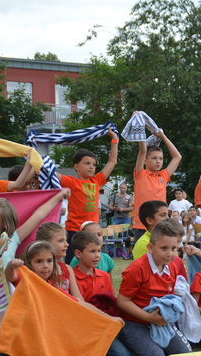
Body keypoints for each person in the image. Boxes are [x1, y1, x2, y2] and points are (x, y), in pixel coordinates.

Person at [116, 220, 192, 356]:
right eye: (164, 248)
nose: (170, 254)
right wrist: (149, 318)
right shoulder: (137, 268)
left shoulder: (174, 265)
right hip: (135, 322)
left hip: (160, 322)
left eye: (174, 248)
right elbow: (122, 301)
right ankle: (125, 340)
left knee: (184, 355)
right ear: (150, 248)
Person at [57, 129, 118, 262]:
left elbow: (112, 162)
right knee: (72, 265)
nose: (91, 167)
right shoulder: (71, 182)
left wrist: (114, 140)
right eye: (87, 163)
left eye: (94, 164)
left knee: (91, 263)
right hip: (75, 231)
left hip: (92, 231)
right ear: (76, 166)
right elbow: (51, 174)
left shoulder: (96, 181)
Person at [132, 129, 181, 240]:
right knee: (144, 257)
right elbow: (143, 150)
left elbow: (177, 157)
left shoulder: (163, 176)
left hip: (161, 226)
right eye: (154, 158)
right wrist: (139, 126)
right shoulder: (140, 174)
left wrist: (163, 136)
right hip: (142, 226)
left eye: (161, 158)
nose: (158, 161)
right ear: (145, 161)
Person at [35, 222, 84, 301]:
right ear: (46, 244)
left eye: (66, 240)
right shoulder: (37, 269)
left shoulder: (67, 269)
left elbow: (78, 299)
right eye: (61, 241)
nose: (67, 244)